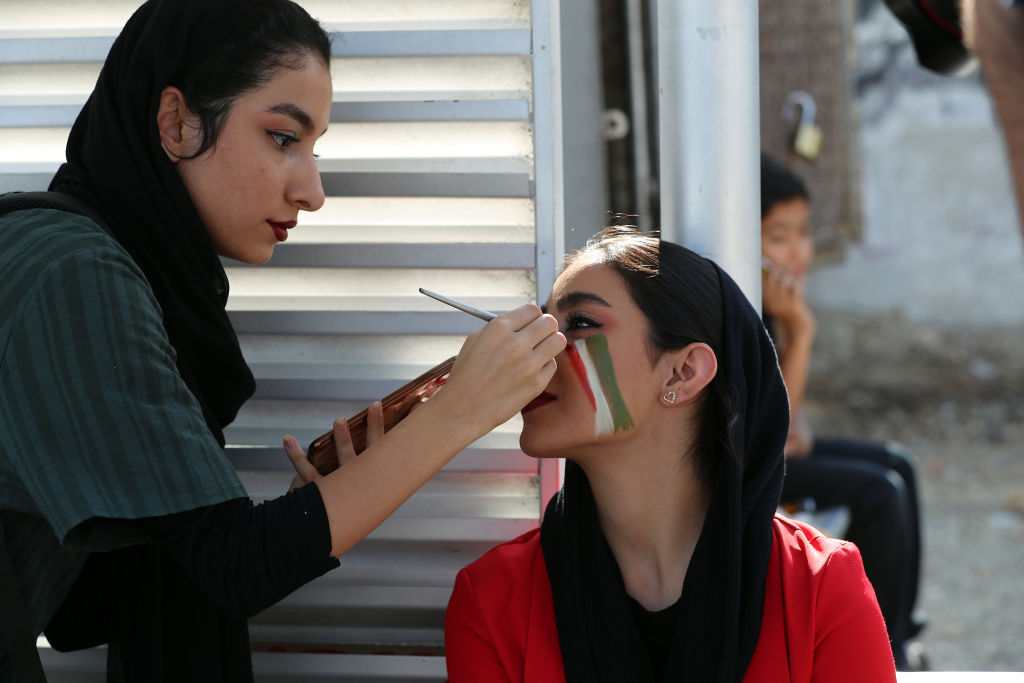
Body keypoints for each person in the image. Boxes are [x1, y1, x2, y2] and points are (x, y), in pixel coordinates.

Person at [0, 1, 564, 680]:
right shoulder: (73, 271)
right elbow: (231, 568)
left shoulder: (91, 260)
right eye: (281, 137)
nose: (313, 190)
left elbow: (87, 605)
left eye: (314, 145)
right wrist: (459, 412)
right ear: (176, 122)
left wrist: (325, 503)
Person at [444, 226, 897, 682]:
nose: (532, 355)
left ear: (683, 372)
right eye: (539, 327)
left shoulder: (822, 588)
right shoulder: (491, 598)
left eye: (578, 324)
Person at [759, 154, 926, 671]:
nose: (799, 251)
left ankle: (904, 633)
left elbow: (792, 425)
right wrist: (801, 334)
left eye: (804, 233)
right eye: (779, 235)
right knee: (878, 493)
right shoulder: (740, 304)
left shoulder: (770, 304)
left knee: (897, 464)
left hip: (769, 449)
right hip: (742, 470)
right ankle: (883, 653)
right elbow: (780, 435)